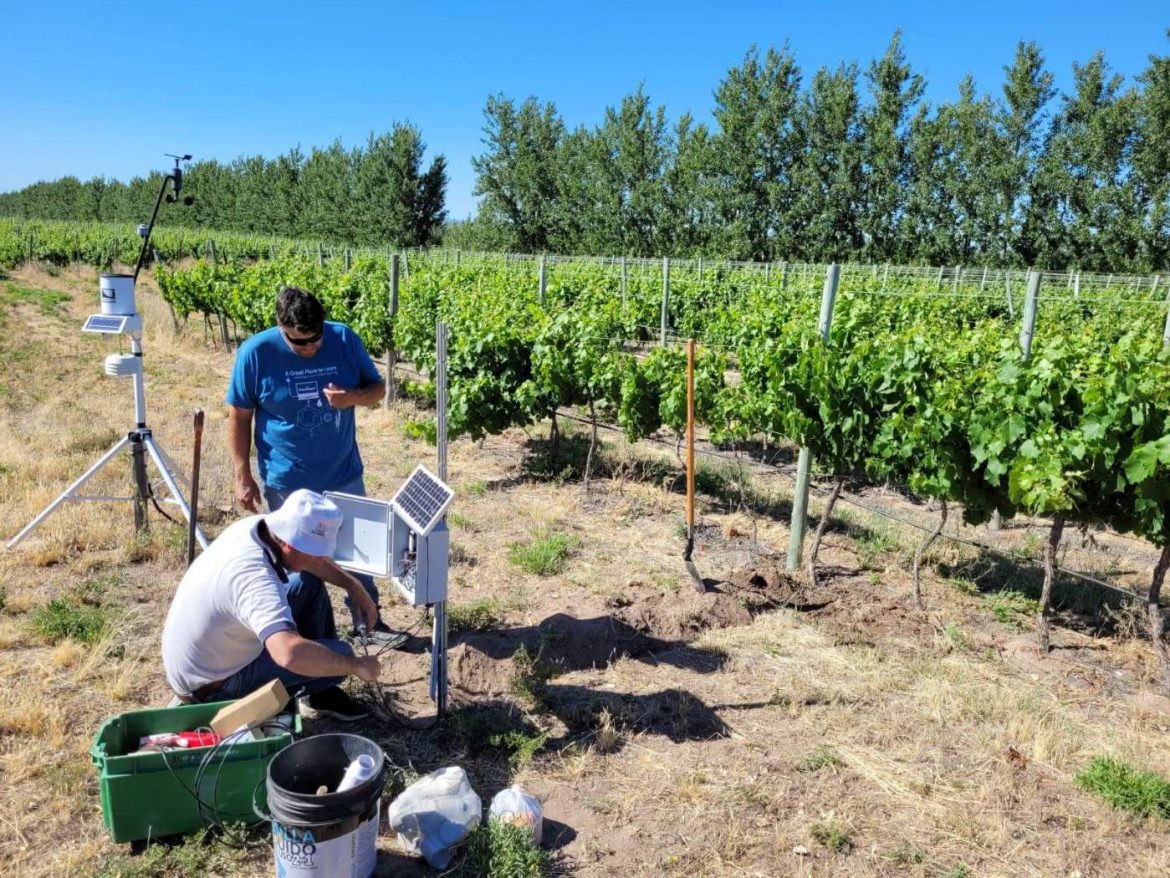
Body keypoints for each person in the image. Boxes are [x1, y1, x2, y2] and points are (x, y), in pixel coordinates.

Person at [226, 285, 403, 647]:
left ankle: (368, 626)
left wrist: (352, 398)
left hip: (343, 473)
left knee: (358, 553)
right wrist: (242, 474)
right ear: (281, 327)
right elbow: (240, 415)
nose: (310, 347)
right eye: (299, 341)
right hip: (287, 479)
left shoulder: (344, 339)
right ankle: (307, 639)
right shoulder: (255, 353)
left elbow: (377, 389)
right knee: (298, 563)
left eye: (315, 338)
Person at [162, 490, 381, 721]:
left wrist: (353, 585)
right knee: (341, 655)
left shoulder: (259, 528)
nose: (320, 560)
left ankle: (319, 692)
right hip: (212, 689)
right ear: (288, 545)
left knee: (308, 583)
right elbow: (288, 654)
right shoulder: (255, 578)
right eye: (316, 553)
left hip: (207, 661)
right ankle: (308, 687)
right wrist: (356, 665)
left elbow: (312, 563)